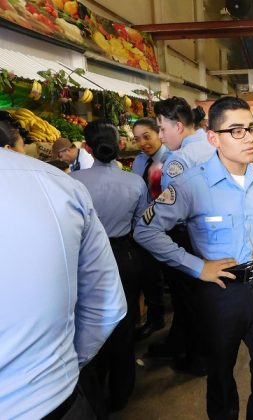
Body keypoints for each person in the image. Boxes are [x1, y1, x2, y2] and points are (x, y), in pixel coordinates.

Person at [134, 96, 253, 420]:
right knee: (220, 371)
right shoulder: (192, 184)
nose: (249, 137)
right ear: (213, 137)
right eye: (237, 131)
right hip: (220, 292)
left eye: (251, 128)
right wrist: (196, 266)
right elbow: (145, 230)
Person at [0, 128, 127, 419]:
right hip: (52, 397)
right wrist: (65, 362)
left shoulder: (73, 181)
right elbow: (107, 305)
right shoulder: (59, 184)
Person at [71, 121, 148, 412]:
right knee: (124, 323)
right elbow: (143, 224)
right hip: (124, 254)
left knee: (87, 320)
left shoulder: (74, 182)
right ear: (119, 148)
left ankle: (93, 389)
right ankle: (121, 391)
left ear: (87, 148)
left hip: (85, 258)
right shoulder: (134, 182)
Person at [146, 98, 214, 374]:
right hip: (214, 234)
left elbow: (170, 207)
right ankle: (187, 345)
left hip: (187, 235)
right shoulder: (212, 145)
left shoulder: (179, 159)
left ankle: (198, 358)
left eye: (162, 129)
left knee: (189, 299)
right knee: (202, 297)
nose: (160, 137)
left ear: (178, 125)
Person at [131, 118, 168, 340]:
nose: (143, 143)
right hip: (144, 226)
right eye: (137, 139)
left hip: (167, 226)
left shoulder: (172, 160)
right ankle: (156, 317)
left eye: (147, 136)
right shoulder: (138, 162)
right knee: (150, 273)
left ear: (159, 134)